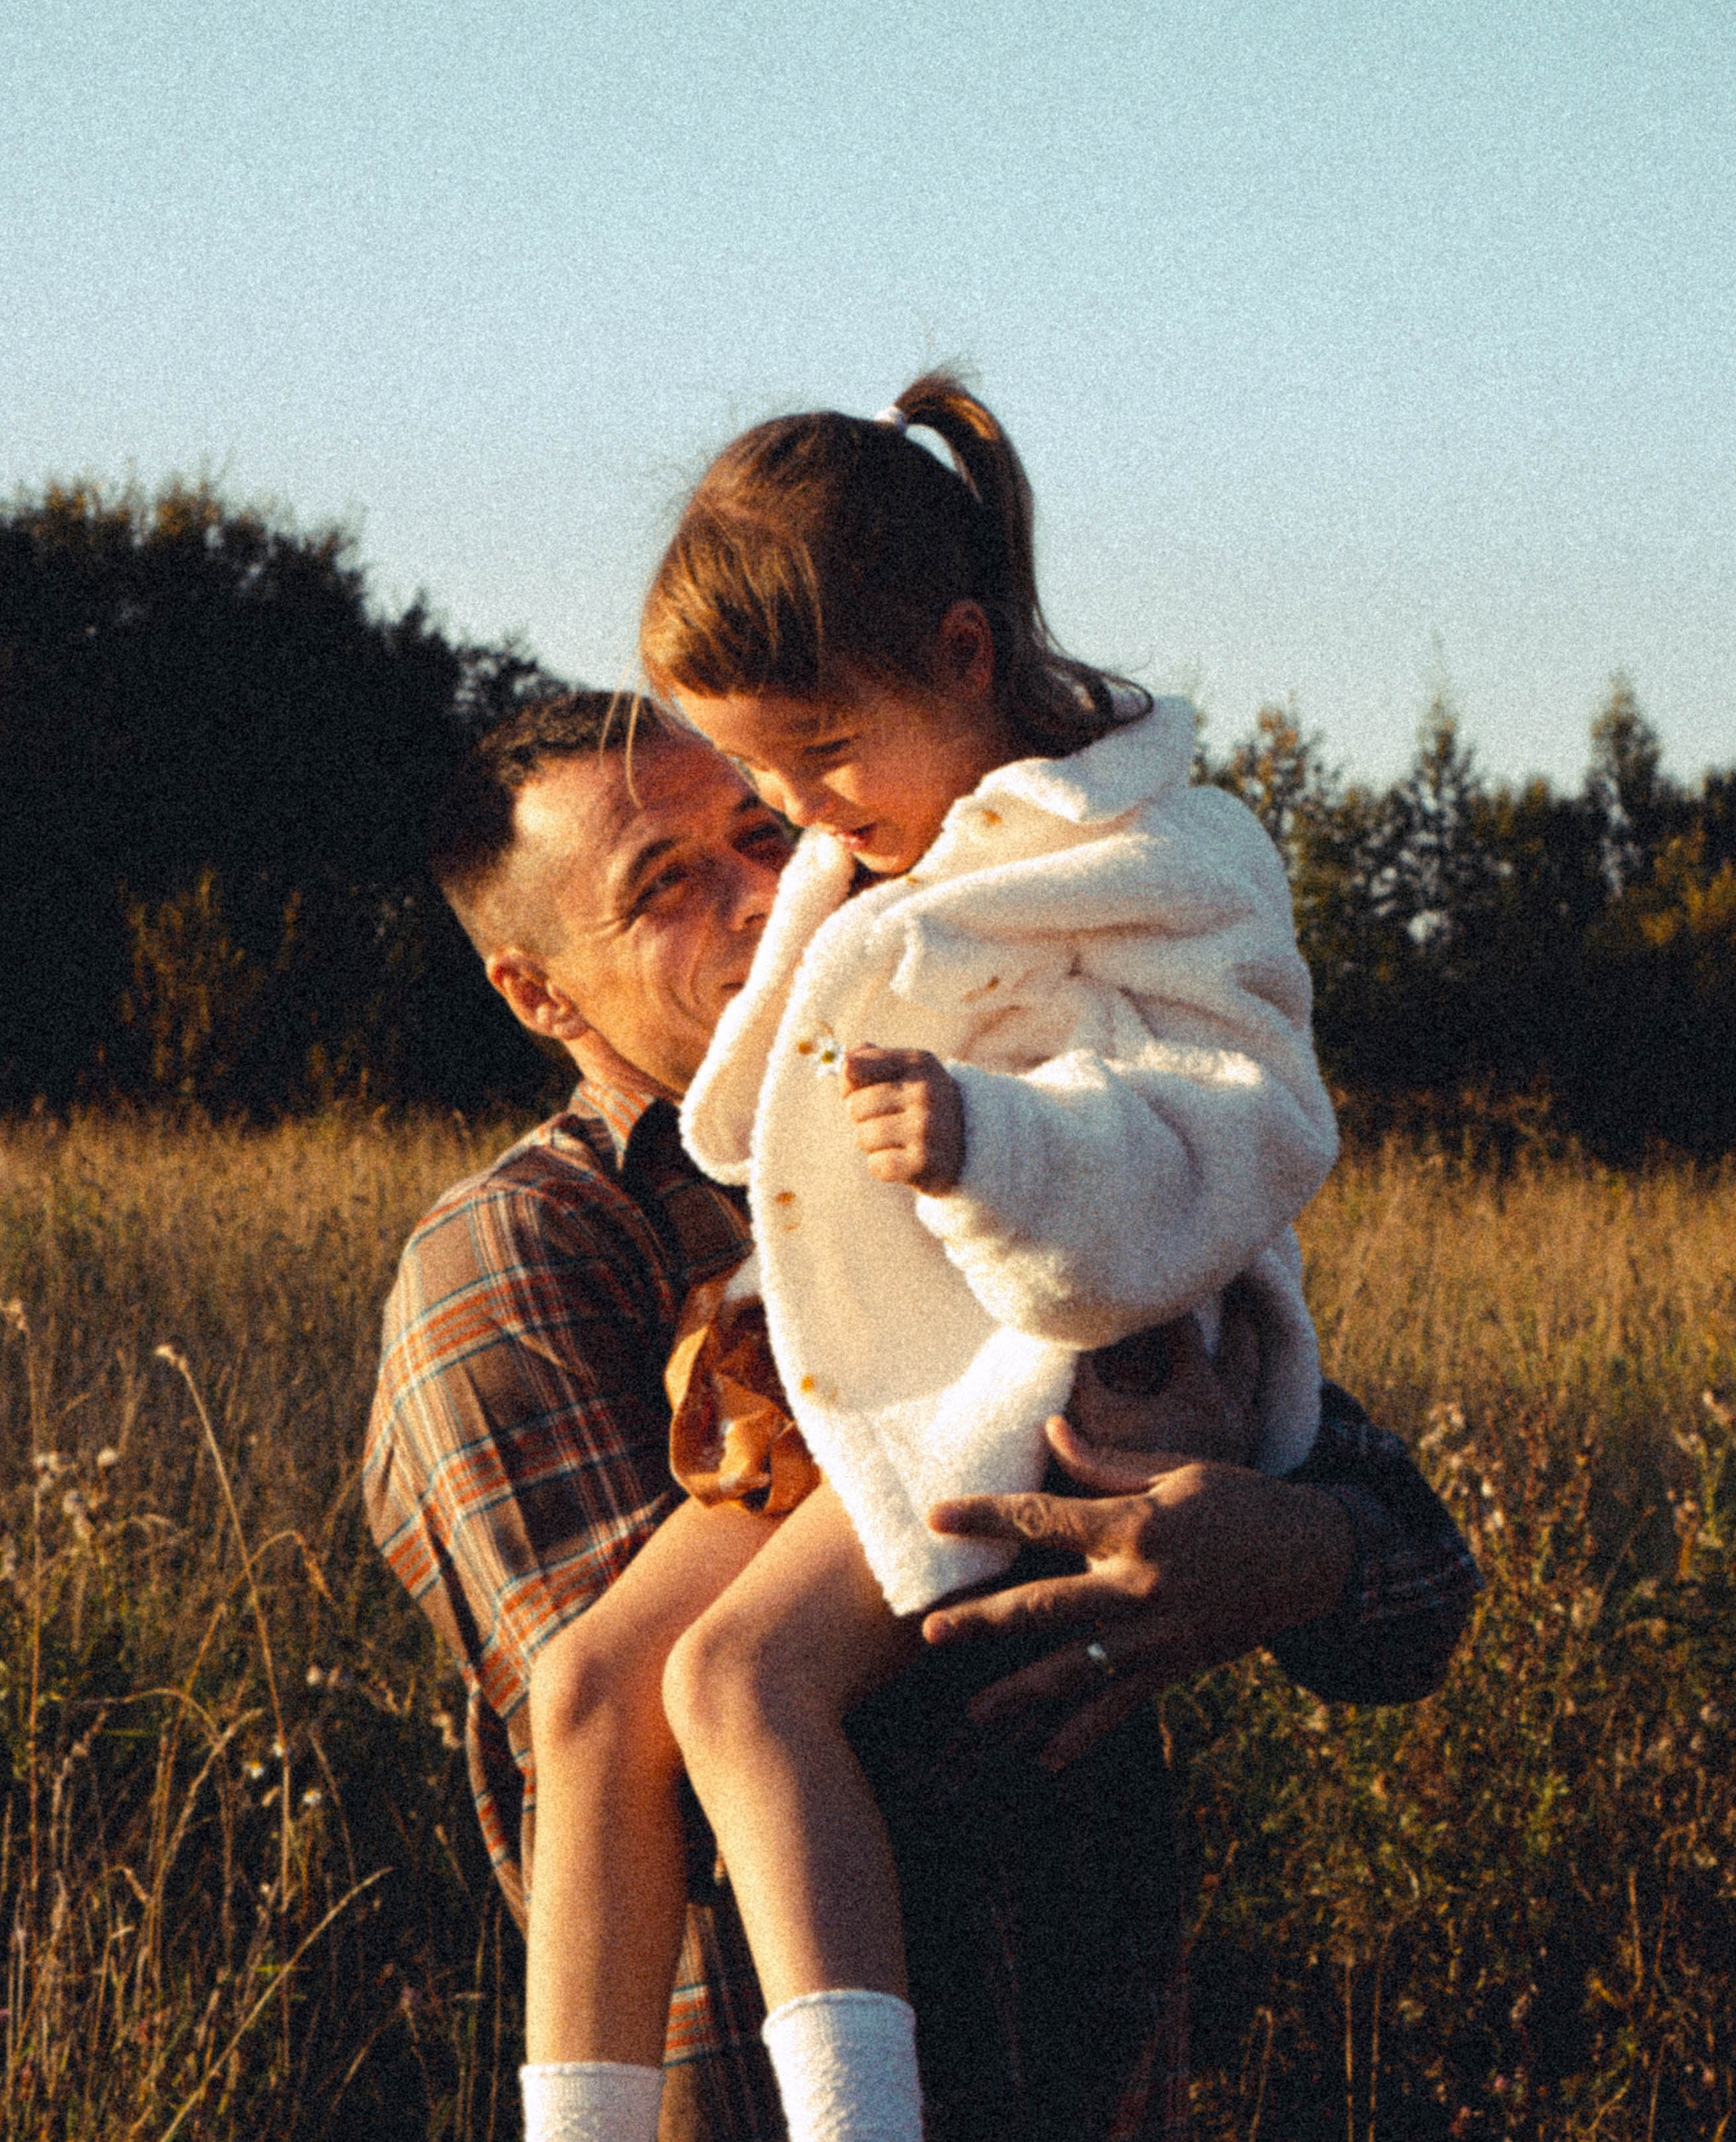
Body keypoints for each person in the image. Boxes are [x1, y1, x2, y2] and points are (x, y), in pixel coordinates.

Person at [364, 688, 1478, 2142]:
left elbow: (1419, 1583)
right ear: (539, 993)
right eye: (666, 887)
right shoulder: (523, 1256)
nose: (764, 893)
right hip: (763, 2100)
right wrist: (1086, 1487)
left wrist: (1288, 1554)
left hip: (1080, 2082)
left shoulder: (966, 1094)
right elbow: (673, 1731)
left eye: (765, 831)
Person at [505, 370, 1344, 2142]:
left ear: (966, 652)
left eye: (814, 757)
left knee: (740, 1687)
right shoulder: (890, 831)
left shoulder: (1160, 852)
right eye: (750, 771)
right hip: (882, 1353)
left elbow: (1246, 1125)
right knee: (590, 1685)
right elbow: (760, 1111)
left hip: (1065, 1367)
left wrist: (995, 1145)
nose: (795, 810)